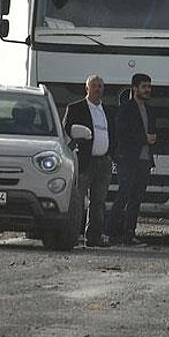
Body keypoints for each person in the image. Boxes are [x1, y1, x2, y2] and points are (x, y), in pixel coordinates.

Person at [62, 75, 115, 247]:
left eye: (100, 86)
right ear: (87, 89)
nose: (98, 89)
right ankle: (72, 235)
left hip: (104, 162)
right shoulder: (76, 108)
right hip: (84, 161)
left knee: (98, 202)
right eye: (94, 86)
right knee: (77, 200)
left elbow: (113, 134)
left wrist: (111, 153)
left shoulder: (107, 110)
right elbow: (67, 130)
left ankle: (94, 237)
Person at [104, 73, 156, 246]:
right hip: (127, 159)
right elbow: (122, 133)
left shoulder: (149, 109)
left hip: (144, 159)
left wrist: (153, 139)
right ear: (135, 88)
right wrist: (144, 138)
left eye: (149, 86)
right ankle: (108, 232)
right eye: (144, 86)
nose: (147, 90)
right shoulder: (126, 109)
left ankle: (129, 234)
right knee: (123, 195)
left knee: (137, 198)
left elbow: (151, 131)